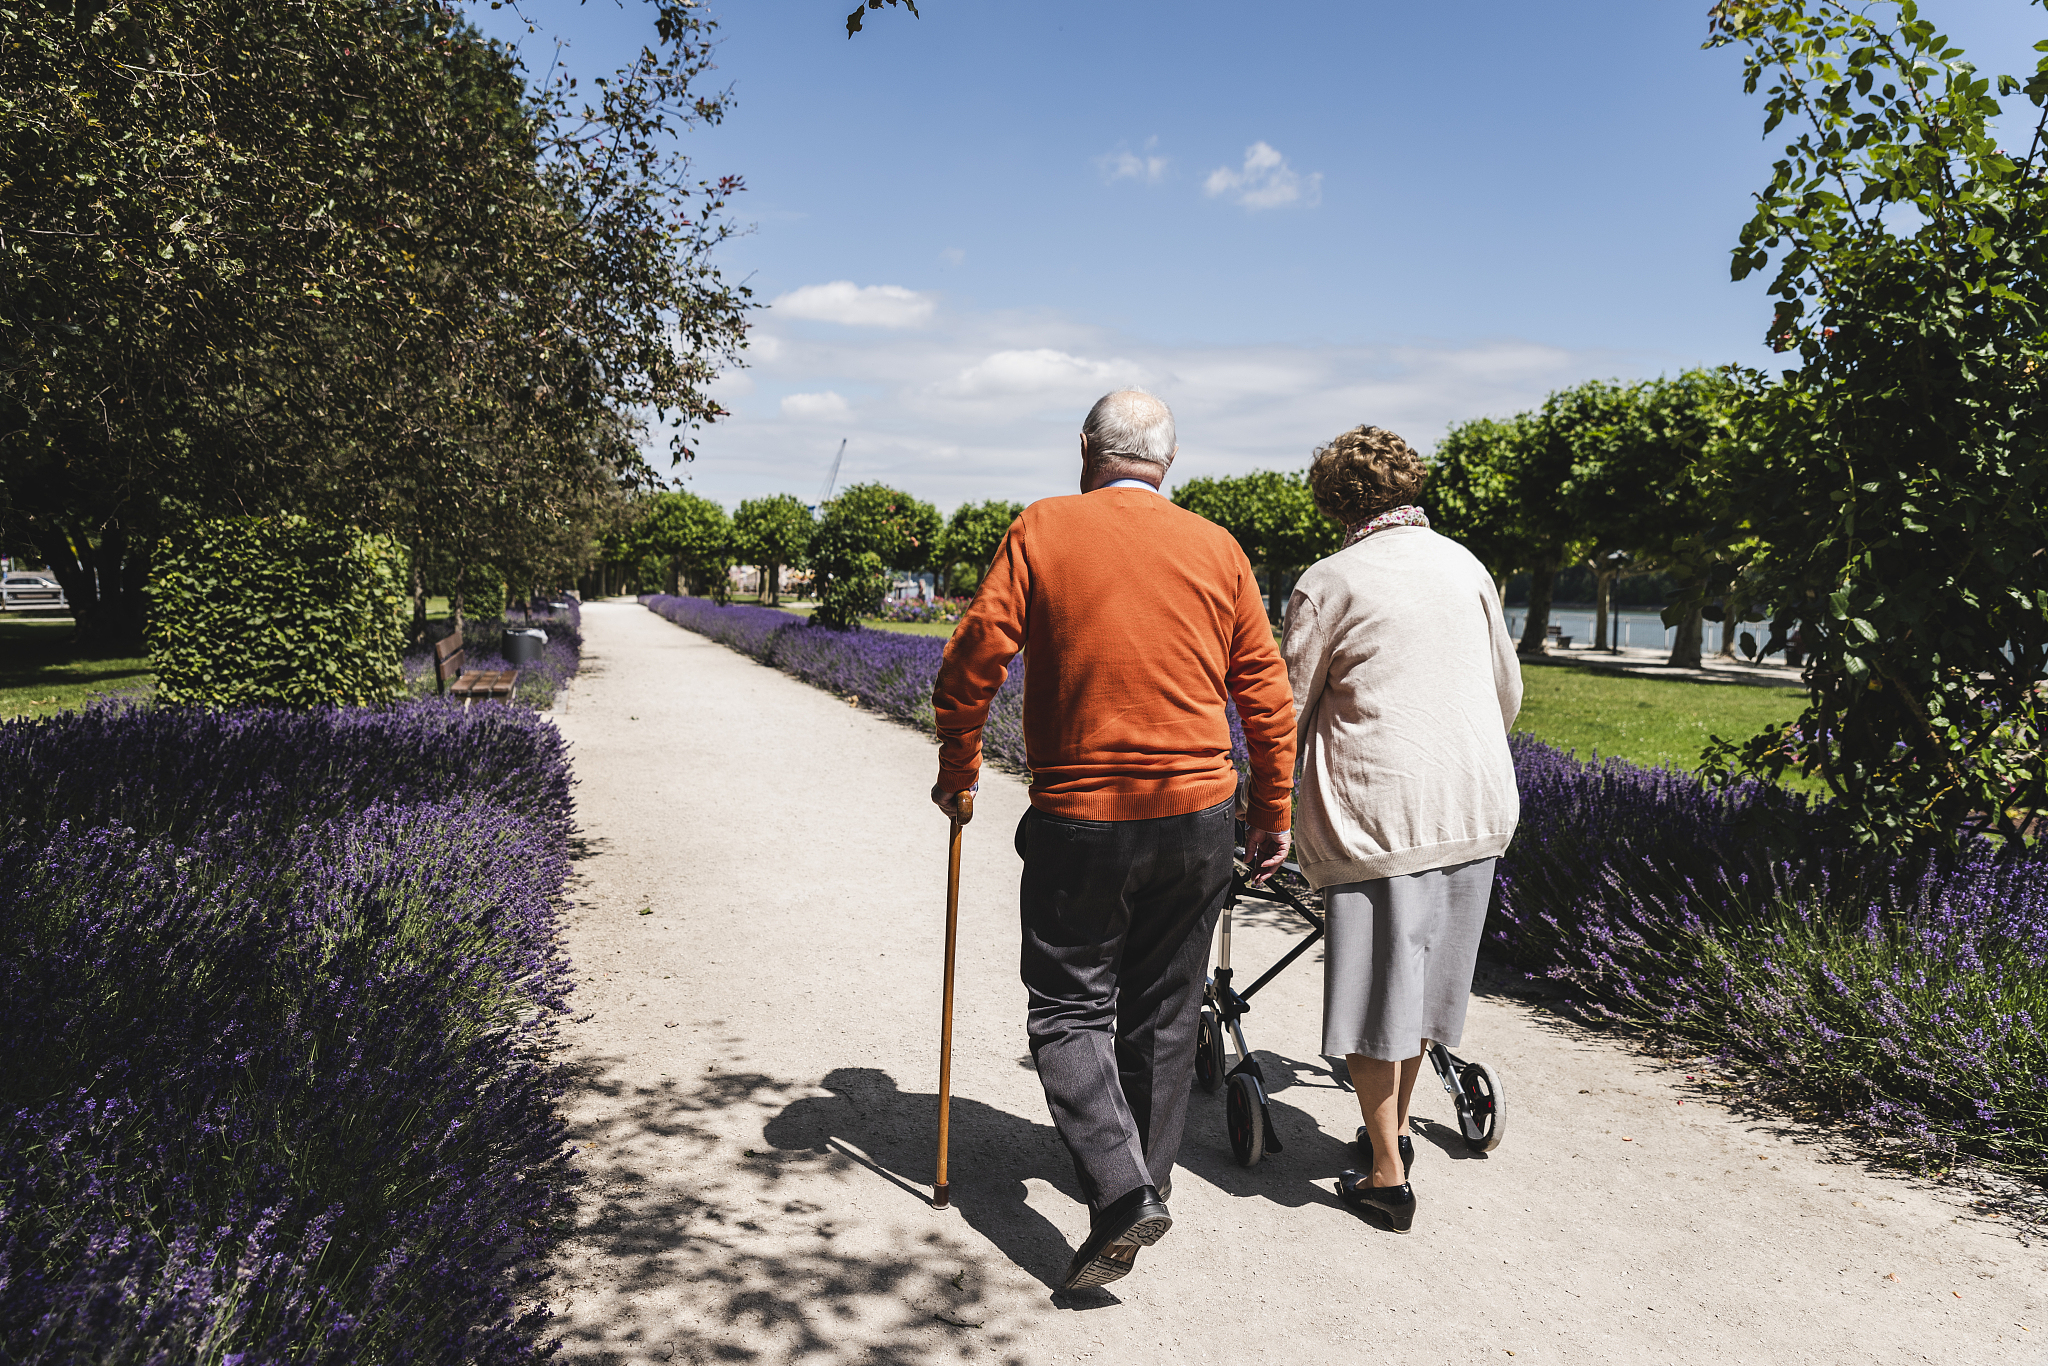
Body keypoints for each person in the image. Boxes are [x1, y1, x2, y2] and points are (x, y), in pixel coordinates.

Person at [930, 389, 1296, 1290]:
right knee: (1166, 1008)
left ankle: (1123, 1191)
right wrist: (1273, 812)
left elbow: (974, 659)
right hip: (1200, 813)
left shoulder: (1044, 527)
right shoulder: (1217, 546)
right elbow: (1265, 691)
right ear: (1169, 462)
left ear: (1086, 447)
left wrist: (959, 765)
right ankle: (1143, 1180)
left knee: (1068, 1007)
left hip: (1083, 816)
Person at [1282, 425, 1522, 1233]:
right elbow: (1507, 692)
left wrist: (1263, 805)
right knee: (1418, 992)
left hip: (1380, 814)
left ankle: (1387, 1175)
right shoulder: (1465, 566)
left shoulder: (1330, 580)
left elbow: (1288, 708)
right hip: (1473, 808)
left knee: (1373, 994)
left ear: (1332, 501)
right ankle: (1393, 1133)